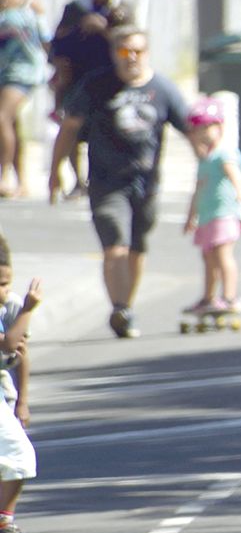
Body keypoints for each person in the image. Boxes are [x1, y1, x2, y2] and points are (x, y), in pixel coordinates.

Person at [48, 24, 194, 338]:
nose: (131, 58)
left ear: (147, 53)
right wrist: (55, 171)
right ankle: (120, 307)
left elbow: (191, 128)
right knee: (115, 245)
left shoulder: (163, 89)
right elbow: (70, 128)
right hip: (106, 182)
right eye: (124, 51)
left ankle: (126, 305)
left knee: (136, 250)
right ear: (114, 53)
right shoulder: (96, 85)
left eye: (137, 51)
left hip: (146, 183)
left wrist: (211, 167)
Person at [47, 0, 122, 201]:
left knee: (104, 131)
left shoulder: (121, 10)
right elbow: (58, 42)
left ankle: (96, 179)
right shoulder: (76, 9)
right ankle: (76, 180)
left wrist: (103, 29)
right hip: (78, 79)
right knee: (74, 129)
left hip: (110, 80)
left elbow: (128, 41)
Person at [182, 98, 241, 318]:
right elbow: (198, 190)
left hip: (225, 214)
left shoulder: (224, 153)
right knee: (208, 256)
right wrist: (191, 216)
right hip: (207, 215)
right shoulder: (205, 160)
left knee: (223, 255)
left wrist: (240, 191)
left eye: (208, 127)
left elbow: (232, 172)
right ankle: (209, 298)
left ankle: (230, 297)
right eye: (198, 129)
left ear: (220, 128)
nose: (203, 133)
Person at [0, 239, 44, 533]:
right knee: (19, 454)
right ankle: (4, 521)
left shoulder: (11, 304)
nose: (3, 291)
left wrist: (23, 401)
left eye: (5, 283)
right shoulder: (21, 307)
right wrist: (28, 310)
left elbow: (21, 352)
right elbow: (8, 344)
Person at [0, 0, 46, 199]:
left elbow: (45, 36)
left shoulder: (29, 2)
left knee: (1, 117)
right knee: (11, 123)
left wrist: (58, 68)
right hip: (0, 69)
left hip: (24, 68)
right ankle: (22, 181)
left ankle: (4, 175)